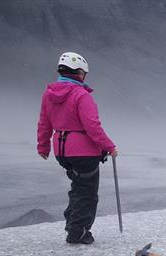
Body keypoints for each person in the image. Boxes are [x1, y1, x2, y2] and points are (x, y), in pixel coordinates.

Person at [37, 52, 117, 245]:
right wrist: (110, 147)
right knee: (87, 193)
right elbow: (92, 126)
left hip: (62, 152)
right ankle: (78, 232)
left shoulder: (49, 94)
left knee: (77, 187)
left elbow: (44, 123)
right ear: (80, 73)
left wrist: (43, 146)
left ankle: (72, 224)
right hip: (83, 152)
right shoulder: (81, 95)